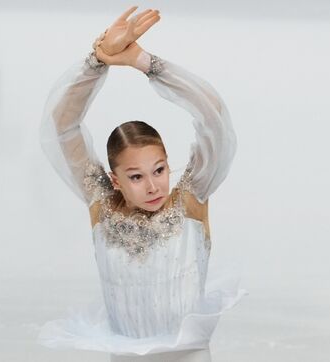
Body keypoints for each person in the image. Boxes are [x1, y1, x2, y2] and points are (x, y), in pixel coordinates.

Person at [37, 6, 247, 361]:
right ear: (114, 180)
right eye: (136, 176)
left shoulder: (190, 201)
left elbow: (214, 118)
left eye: (160, 169)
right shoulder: (101, 207)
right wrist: (97, 60)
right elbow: (62, 127)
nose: (153, 186)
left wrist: (142, 61)